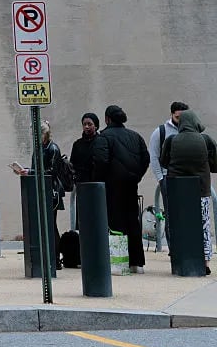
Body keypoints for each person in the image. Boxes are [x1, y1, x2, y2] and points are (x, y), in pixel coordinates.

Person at [92, 105, 150, 273]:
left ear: (107, 119)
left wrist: (100, 180)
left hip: (111, 187)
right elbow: (145, 159)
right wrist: (136, 175)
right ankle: (136, 262)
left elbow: (101, 161)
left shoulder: (103, 137)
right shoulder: (135, 136)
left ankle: (118, 262)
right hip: (131, 185)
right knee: (133, 221)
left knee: (115, 223)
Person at [160, 109, 217, 275]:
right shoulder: (205, 140)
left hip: (177, 193)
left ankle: (179, 261)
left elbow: (164, 162)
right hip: (202, 192)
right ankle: (205, 262)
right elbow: (215, 165)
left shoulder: (171, 140)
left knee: (178, 226)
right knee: (203, 228)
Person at [12, 120, 63, 268]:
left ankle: (55, 258)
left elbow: (51, 171)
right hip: (40, 187)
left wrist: (31, 172)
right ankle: (48, 256)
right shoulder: (40, 147)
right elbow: (39, 168)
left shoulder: (52, 148)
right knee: (46, 224)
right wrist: (27, 171)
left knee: (51, 224)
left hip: (51, 190)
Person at [151, 102, 189, 243]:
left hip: (188, 177)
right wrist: (161, 179)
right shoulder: (161, 132)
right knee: (172, 215)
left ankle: (187, 245)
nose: (181, 120)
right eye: (178, 117)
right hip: (168, 177)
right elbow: (154, 157)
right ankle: (174, 247)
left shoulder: (191, 131)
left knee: (188, 213)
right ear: (172, 114)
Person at [71, 113, 98, 186]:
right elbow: (73, 163)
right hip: (81, 183)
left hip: (97, 182)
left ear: (95, 126)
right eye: (84, 124)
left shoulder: (101, 142)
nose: (86, 127)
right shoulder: (77, 144)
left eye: (89, 124)